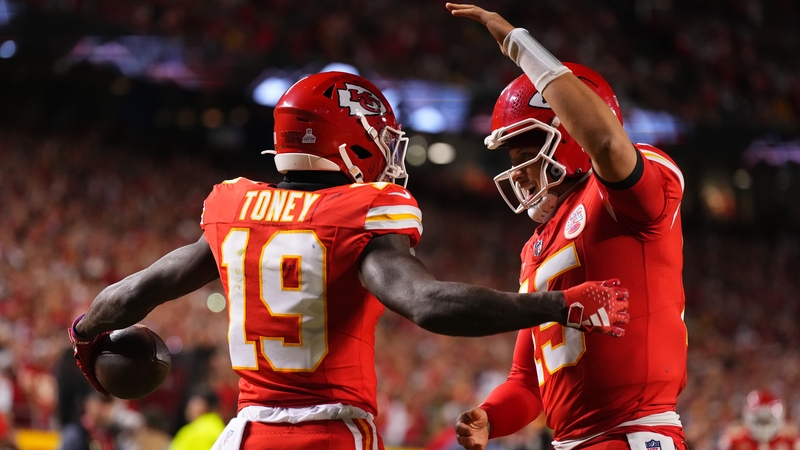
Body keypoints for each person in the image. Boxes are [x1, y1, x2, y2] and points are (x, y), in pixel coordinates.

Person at [67, 71, 630, 450]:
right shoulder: (365, 210)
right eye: (380, 139)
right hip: (329, 434)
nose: (388, 155)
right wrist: (558, 304)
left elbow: (143, 288)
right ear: (350, 140)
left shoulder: (234, 207)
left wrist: (86, 334)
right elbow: (428, 305)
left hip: (247, 434)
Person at [446, 4, 687, 450]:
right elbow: (527, 381)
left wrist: (519, 45)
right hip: (569, 442)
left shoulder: (628, 192)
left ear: (570, 141)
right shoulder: (534, 249)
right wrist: (490, 417)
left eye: (526, 159)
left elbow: (609, 143)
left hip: (634, 433)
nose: (518, 175)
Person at [718, 390, 800, 450]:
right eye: (760, 421)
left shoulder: (790, 439)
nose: (764, 426)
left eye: (766, 421)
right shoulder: (735, 439)